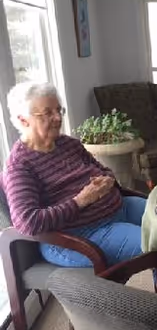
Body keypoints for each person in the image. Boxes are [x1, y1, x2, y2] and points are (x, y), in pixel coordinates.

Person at [3, 82, 145, 267]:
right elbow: (27, 222)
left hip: (120, 208)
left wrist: (107, 180)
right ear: (23, 120)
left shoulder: (69, 144)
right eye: (47, 113)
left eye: (58, 110)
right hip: (79, 235)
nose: (57, 118)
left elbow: (104, 169)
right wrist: (81, 201)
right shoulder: (19, 165)